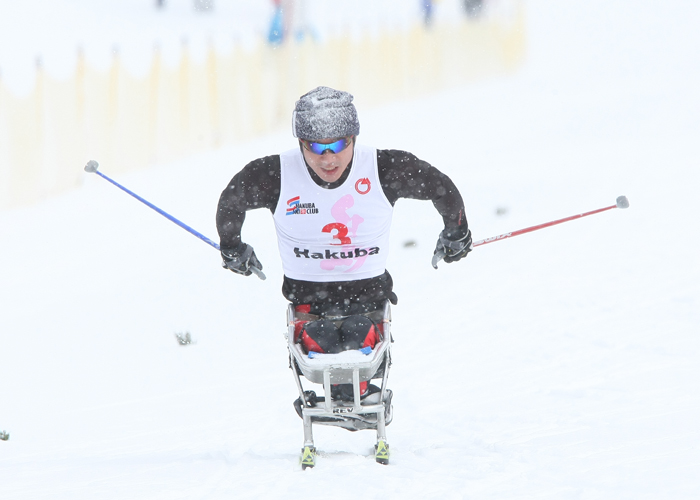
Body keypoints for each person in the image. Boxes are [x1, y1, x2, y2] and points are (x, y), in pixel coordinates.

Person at [216, 86, 471, 396]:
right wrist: (232, 246)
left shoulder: (382, 167)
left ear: (353, 138)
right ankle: (350, 391)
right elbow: (231, 201)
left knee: (358, 332)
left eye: (339, 144)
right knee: (320, 335)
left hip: (367, 298)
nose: (328, 158)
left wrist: (457, 232)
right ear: (301, 143)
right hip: (309, 303)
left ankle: (354, 390)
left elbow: (439, 187)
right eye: (316, 147)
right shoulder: (276, 174)